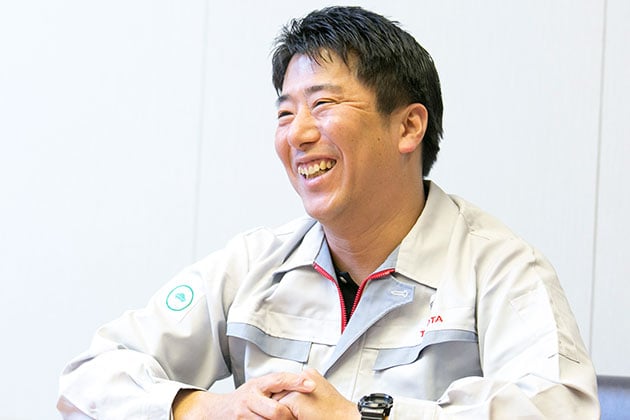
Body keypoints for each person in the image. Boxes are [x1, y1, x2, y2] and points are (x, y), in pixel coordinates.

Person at [57, 6, 599, 419]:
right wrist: (204, 408)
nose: (298, 133)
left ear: (408, 126)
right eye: (285, 112)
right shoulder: (254, 264)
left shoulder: (500, 269)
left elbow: (562, 411)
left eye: (323, 104)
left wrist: (363, 418)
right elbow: (85, 381)